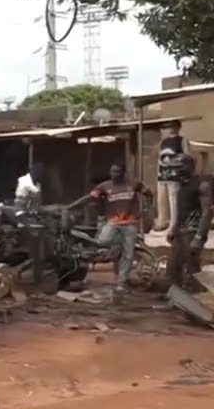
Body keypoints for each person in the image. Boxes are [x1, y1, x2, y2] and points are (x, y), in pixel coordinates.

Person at [67, 163, 152, 296]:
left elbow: (149, 194)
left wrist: (145, 210)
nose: (114, 174)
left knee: (128, 254)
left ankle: (121, 283)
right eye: (112, 171)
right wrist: (70, 206)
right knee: (102, 241)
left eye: (117, 172)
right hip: (112, 222)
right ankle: (113, 254)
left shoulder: (134, 184)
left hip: (130, 224)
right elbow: (90, 197)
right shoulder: (104, 186)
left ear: (123, 173)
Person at [166, 154, 210, 289]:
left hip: (193, 231)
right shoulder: (182, 185)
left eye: (179, 167)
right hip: (181, 231)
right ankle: (176, 297)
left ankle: (200, 299)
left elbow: (207, 212)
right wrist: (173, 228)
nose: (176, 171)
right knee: (173, 267)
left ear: (190, 167)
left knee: (192, 267)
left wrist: (199, 236)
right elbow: (181, 210)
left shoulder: (202, 185)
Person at [155, 120, 186, 233]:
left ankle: (174, 223)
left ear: (178, 127)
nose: (171, 128)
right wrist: (158, 172)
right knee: (161, 199)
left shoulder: (182, 140)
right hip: (163, 174)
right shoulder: (164, 141)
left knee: (173, 200)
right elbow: (160, 157)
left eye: (173, 126)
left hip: (174, 174)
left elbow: (186, 156)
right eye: (169, 126)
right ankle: (162, 220)